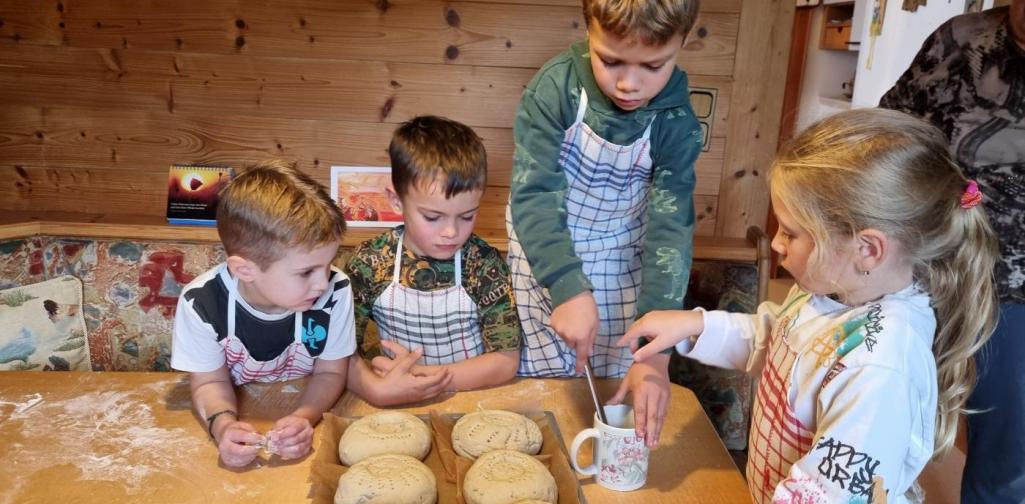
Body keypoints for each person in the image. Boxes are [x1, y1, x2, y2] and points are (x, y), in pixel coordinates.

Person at [619, 109, 999, 503]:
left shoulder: (880, 365)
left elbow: (827, 492)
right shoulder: (833, 288)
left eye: (791, 232)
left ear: (867, 249)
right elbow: (780, 342)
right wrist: (696, 325)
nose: (776, 243)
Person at [506, 0, 703, 446]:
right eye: (610, 61)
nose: (629, 83)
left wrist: (655, 355)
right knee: (551, 377)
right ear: (588, 30)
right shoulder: (555, 89)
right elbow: (534, 194)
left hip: (621, 250)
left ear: (683, 42)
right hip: (547, 245)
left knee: (621, 366)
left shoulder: (675, 122)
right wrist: (567, 288)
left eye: (653, 65)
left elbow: (669, 234)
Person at [879, 2, 1025, 501]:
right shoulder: (961, 38)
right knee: (877, 406)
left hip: (1017, 298)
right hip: (927, 266)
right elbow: (891, 133)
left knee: (1008, 460)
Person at [171, 160, 355, 468]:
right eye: (306, 272)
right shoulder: (201, 303)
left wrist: (304, 417)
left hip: (303, 399)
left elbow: (331, 372)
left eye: (328, 264)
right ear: (245, 270)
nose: (323, 283)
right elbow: (208, 383)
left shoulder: (336, 290)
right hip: (241, 408)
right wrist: (223, 426)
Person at [345, 115, 521, 406]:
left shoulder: (483, 265)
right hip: (396, 400)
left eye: (467, 216)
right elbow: (340, 353)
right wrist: (374, 387)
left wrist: (422, 377)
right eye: (432, 217)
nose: (451, 232)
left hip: (472, 400)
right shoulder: (369, 263)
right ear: (396, 200)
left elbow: (505, 361)